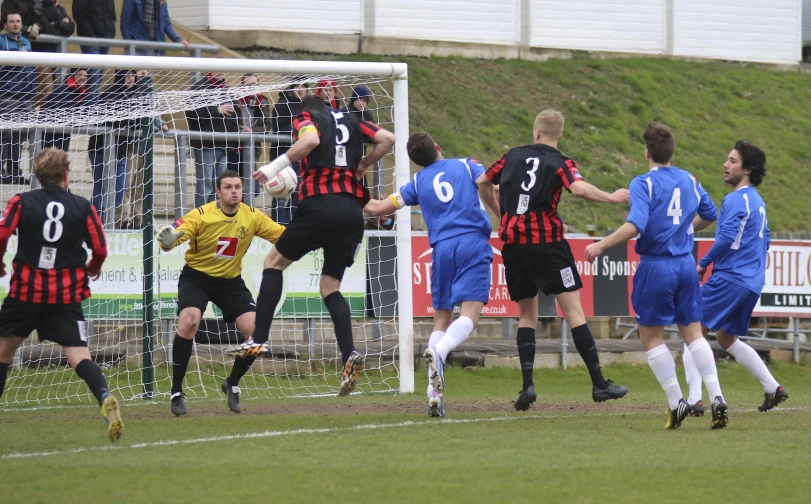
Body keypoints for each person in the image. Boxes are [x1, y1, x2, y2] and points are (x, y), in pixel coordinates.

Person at [236, 95, 395, 397]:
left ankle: (258, 337)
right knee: (330, 286)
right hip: (352, 212)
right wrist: (362, 165)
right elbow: (387, 139)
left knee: (273, 263)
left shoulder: (307, 118)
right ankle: (349, 354)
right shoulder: (352, 119)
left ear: (304, 111)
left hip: (320, 205)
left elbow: (308, 141)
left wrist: (275, 166)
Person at [476, 109, 629, 411]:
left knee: (526, 315)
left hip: (515, 246)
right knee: (574, 312)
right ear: (559, 135)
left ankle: (528, 386)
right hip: (549, 245)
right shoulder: (562, 162)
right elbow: (578, 187)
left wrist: (502, 214)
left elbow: (482, 182)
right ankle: (599, 384)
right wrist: (612, 197)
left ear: (535, 132)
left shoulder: (511, 155)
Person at [584, 121, 727, 430]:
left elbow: (636, 225)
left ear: (646, 152)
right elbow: (710, 212)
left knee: (651, 336)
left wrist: (602, 245)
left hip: (656, 265)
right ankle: (717, 397)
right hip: (687, 265)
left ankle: (677, 403)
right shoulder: (689, 179)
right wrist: (685, 229)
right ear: (671, 152)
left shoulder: (643, 183)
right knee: (693, 333)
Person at [365, 132, 498, 417]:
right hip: (472, 241)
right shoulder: (465, 164)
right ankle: (440, 353)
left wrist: (349, 189)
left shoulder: (416, 182)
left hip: (441, 250)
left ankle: (433, 395)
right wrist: (501, 212)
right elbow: (485, 182)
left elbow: (379, 208)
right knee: (470, 317)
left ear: (415, 162)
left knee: (441, 319)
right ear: (438, 147)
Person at [0, 148, 123, 441]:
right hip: (65, 294)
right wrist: (94, 267)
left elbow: (3, 232)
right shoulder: (83, 206)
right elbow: (101, 247)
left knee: (4, 352)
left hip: (26, 291)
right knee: (80, 355)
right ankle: (104, 396)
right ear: (67, 175)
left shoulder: (21, 200)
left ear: (37, 175)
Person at [155, 170, 285, 416]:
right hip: (197, 278)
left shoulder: (252, 216)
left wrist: (311, 231)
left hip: (230, 282)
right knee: (189, 322)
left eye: (238, 186)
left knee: (257, 334)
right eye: (228, 187)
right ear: (218, 192)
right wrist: (167, 240)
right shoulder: (201, 216)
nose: (234, 191)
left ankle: (232, 383)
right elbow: (170, 239)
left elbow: (281, 235)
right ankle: (176, 392)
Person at [682, 141, 787, 415]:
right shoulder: (757, 201)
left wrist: (703, 264)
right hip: (751, 283)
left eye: (732, 161)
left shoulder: (735, 199)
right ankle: (772, 388)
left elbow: (727, 237)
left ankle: (695, 399)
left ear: (747, 169)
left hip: (730, 279)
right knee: (726, 338)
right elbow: (767, 241)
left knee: (691, 331)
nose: (725, 165)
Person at [88, 69, 141, 226]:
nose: (131, 79)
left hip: (120, 151)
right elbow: (116, 121)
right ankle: (95, 221)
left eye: (133, 76)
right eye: (128, 75)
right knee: (101, 188)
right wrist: (132, 121)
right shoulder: (110, 94)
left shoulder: (137, 95)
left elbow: (139, 120)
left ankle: (104, 219)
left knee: (121, 187)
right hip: (100, 150)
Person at [186, 70, 240, 207]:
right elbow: (191, 112)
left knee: (219, 186)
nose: (221, 72)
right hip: (205, 145)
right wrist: (216, 110)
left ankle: (215, 218)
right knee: (205, 186)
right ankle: (200, 219)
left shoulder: (227, 90)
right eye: (217, 68)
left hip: (223, 145)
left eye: (223, 69)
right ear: (210, 69)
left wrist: (237, 138)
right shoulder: (199, 88)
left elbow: (235, 117)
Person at [0, 10, 35, 185]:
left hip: (26, 96)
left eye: (18, 21)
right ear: (5, 25)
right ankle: (1, 171)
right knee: (4, 134)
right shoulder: (0, 41)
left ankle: (15, 172)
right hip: (7, 94)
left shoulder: (26, 42)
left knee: (20, 136)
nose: (15, 24)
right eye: (12, 21)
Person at [270, 79, 306, 224]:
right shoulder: (281, 105)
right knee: (281, 192)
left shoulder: (308, 107)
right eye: (297, 86)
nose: (300, 89)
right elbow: (278, 129)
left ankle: (292, 224)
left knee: (297, 194)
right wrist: (298, 130)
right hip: (282, 156)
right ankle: (278, 226)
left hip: (301, 157)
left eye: (303, 86)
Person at [72, 0, 116, 103]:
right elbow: (78, 13)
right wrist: (90, 34)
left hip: (106, 38)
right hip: (90, 39)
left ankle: (91, 108)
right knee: (93, 78)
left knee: (98, 77)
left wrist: (111, 31)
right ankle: (92, 111)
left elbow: (112, 14)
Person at [40, 67, 88, 152]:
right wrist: (80, 120)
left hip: (61, 136)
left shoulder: (77, 92)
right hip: (51, 138)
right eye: (80, 74)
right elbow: (63, 118)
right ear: (73, 76)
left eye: (86, 76)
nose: (83, 78)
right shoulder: (64, 91)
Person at [120, 0, 190, 54]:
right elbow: (125, 23)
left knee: (148, 72)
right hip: (135, 46)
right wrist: (129, 44)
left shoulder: (161, 1)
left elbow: (166, 23)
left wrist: (178, 40)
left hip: (152, 47)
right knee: (134, 72)